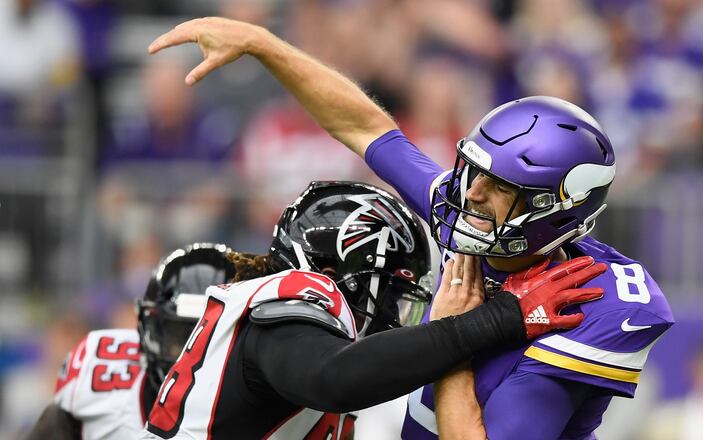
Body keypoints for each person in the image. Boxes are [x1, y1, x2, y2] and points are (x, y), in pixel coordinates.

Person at [148, 17, 675, 439]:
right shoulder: (469, 219)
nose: (470, 195)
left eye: (500, 188)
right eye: (475, 173)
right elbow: (364, 126)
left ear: (553, 208)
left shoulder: (592, 301)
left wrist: (457, 336)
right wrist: (266, 46)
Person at [139, 180, 606, 439]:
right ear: (346, 269)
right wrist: (499, 318)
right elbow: (335, 379)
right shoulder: (289, 293)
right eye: (392, 296)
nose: (391, 317)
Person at [26, 242, 237, 439]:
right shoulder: (98, 375)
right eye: (180, 336)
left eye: (212, 338)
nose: (192, 355)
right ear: (150, 330)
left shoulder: (262, 402)